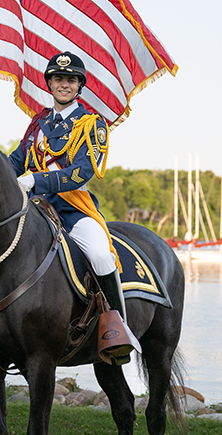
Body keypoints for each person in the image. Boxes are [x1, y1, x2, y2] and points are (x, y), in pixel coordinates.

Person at [8, 51, 138, 363]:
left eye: (70, 80)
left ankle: (118, 327)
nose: (63, 84)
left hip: (73, 210)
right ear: (49, 83)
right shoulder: (37, 123)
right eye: (58, 79)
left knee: (100, 255)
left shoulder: (92, 124)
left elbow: (82, 172)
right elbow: (15, 161)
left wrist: (35, 181)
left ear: (79, 85)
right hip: (34, 209)